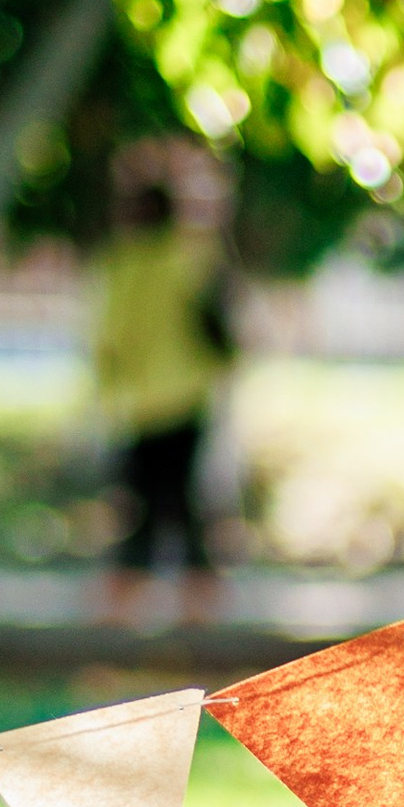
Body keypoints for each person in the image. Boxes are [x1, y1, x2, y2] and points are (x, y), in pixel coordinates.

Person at [89, 173, 231, 611]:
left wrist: (105, 395)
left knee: (143, 499)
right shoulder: (192, 257)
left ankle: (128, 594)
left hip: (140, 402)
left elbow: (108, 337)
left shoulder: (119, 264)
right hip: (189, 393)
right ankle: (199, 594)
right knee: (183, 497)